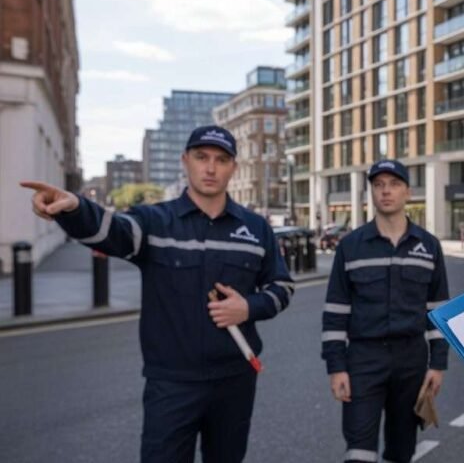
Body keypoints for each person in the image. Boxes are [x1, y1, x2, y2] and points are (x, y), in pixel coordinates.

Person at [21, 125, 294, 463]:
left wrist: (248, 308)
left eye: (221, 160)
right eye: (201, 157)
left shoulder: (256, 228)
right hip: (171, 384)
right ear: (185, 161)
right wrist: (73, 207)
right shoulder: (154, 221)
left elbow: (282, 287)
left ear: (233, 168)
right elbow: (112, 232)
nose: (210, 168)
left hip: (235, 381)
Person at [321, 159, 450, 463]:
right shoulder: (351, 246)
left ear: (407, 191)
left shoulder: (428, 246)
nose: (385, 192)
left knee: (401, 449)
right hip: (364, 359)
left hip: (411, 360)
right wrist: (336, 367)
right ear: (371, 193)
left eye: (393, 184)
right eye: (378, 185)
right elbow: (336, 311)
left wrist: (438, 364)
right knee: (359, 449)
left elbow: (437, 310)